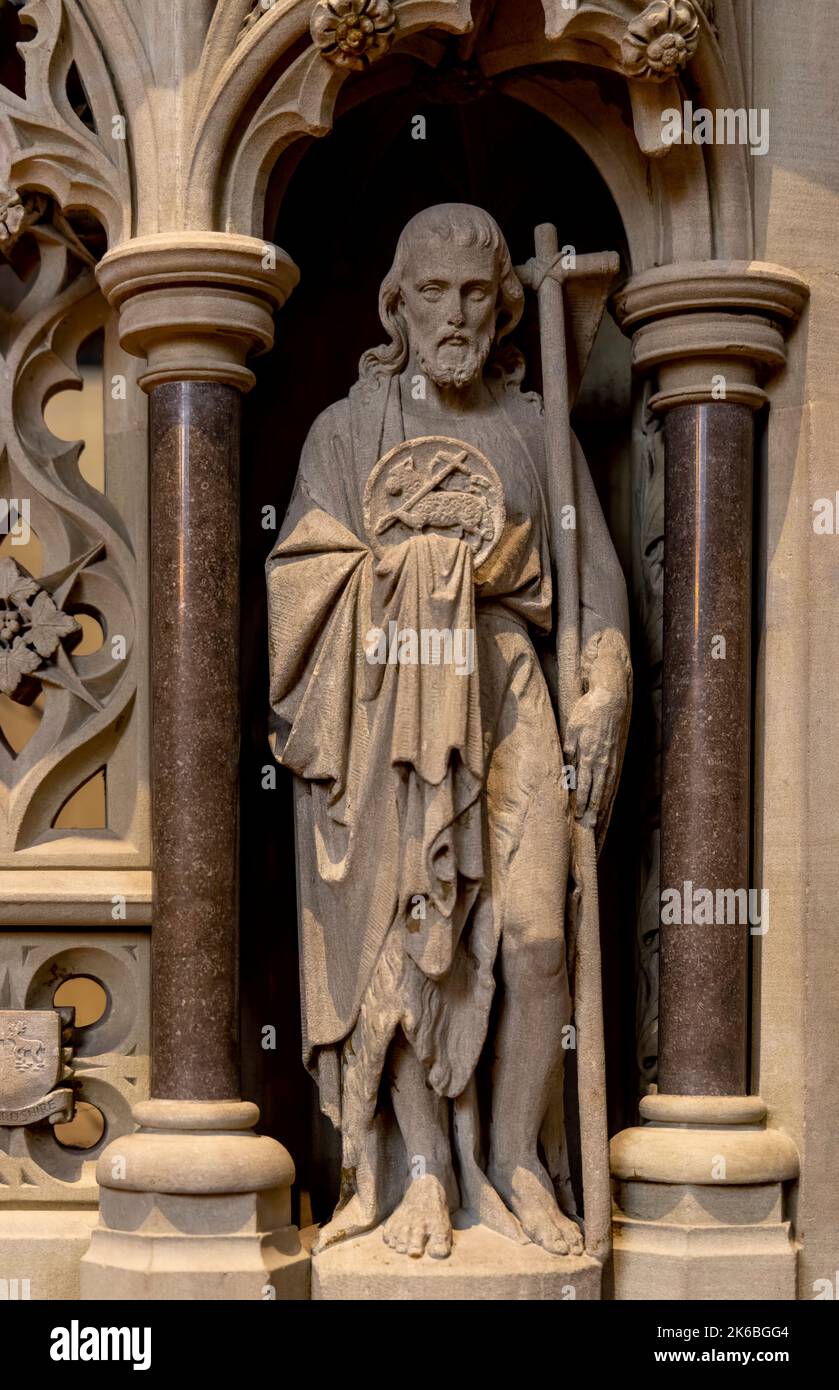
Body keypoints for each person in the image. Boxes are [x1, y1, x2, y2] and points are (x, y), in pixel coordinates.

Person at [266, 204, 631, 1259]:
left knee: (535, 936)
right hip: (386, 708)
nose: (455, 313)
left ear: (504, 301)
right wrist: (410, 573)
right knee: (402, 941)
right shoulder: (346, 428)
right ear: (397, 302)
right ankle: (422, 1165)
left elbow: (596, 589)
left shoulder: (534, 429)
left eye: (476, 292)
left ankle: (514, 1150)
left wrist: (601, 675)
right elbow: (299, 582)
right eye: (432, 293)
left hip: (508, 686)